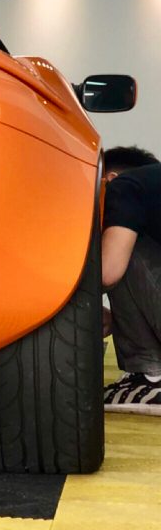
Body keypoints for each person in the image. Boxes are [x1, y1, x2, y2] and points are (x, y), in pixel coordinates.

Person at [101, 145, 161, 413]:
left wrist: (78, 312)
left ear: (109, 178)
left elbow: (108, 271)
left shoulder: (125, 186)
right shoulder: (152, 185)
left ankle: (148, 375)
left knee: (120, 246)